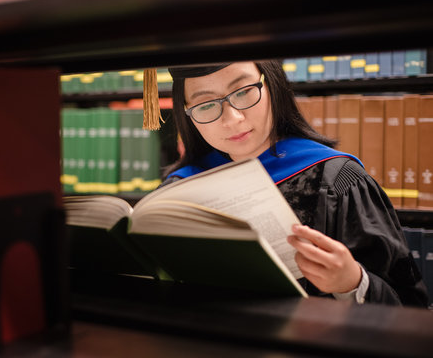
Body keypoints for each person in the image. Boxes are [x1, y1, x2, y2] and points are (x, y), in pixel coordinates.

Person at [160, 60, 429, 307]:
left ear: (272, 84)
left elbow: (410, 307)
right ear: (187, 114)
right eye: (206, 105)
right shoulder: (178, 190)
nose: (232, 119)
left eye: (243, 92)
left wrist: (352, 283)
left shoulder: (335, 179)